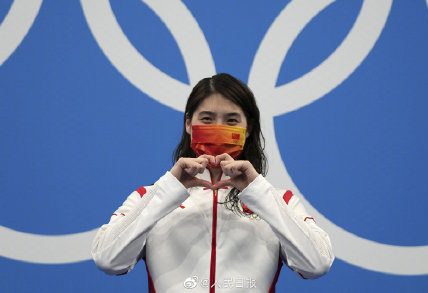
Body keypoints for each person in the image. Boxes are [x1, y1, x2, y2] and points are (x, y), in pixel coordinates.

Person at [91, 73, 334, 292]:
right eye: (207, 119)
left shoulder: (279, 201)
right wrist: (169, 190)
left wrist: (258, 192)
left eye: (231, 121)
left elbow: (316, 264)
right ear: (188, 124)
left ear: (247, 128)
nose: (218, 128)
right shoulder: (151, 196)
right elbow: (109, 260)